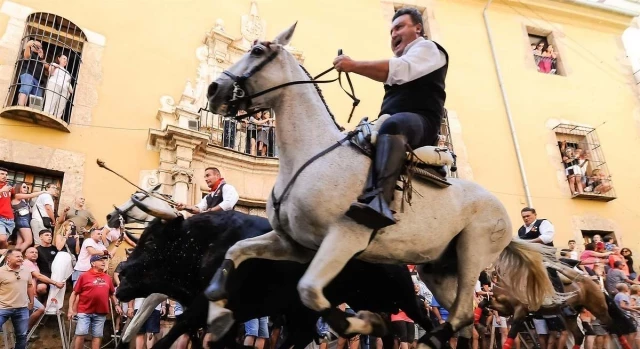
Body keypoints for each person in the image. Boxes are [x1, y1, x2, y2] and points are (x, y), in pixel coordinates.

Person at [333, 7, 448, 229]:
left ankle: (379, 202)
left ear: (418, 28)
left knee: (393, 124)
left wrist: (353, 65)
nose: (394, 34)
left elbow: (397, 69)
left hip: (422, 123)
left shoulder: (428, 48)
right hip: (398, 123)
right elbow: (387, 71)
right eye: (391, 31)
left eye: (400, 27)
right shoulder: (402, 61)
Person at [68, 255, 121, 349]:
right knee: (81, 334)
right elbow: (74, 293)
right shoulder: (84, 276)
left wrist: (116, 305)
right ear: (93, 263)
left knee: (97, 335)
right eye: (100, 260)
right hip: (85, 311)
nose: (103, 262)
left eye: (104, 260)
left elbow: (112, 293)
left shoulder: (108, 278)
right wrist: (70, 309)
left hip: (101, 312)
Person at [0, 249, 35, 349]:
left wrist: (31, 301)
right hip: (3, 308)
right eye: (17, 256)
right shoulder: (1, 272)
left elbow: (29, 286)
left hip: (22, 308)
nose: (20, 258)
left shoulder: (26, 270)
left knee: (22, 336)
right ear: (8, 259)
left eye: (21, 256)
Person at [22, 247, 63, 329]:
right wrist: (55, 283)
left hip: (30, 294)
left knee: (32, 312)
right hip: (26, 293)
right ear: (26, 254)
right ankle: (25, 331)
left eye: (36, 252)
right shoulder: (27, 263)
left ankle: (26, 332)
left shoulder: (34, 264)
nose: (34, 254)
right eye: (31, 252)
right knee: (40, 309)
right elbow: (39, 276)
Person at [11, 182, 45, 252]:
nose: (26, 188)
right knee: (28, 241)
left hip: (24, 220)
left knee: (19, 242)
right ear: (18, 187)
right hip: (22, 220)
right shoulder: (17, 196)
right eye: (24, 187)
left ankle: (12, 259)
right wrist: (44, 191)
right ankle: (14, 257)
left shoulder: (24, 200)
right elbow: (31, 195)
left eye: (27, 187)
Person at [17, 39, 48, 107]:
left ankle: (33, 112)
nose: (38, 48)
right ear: (32, 46)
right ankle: (21, 106)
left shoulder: (40, 57)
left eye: (40, 47)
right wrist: (28, 46)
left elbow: (47, 67)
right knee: (25, 90)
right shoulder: (29, 52)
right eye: (36, 46)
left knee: (37, 98)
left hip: (38, 80)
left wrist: (42, 58)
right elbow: (26, 56)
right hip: (28, 74)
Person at [34, 229, 64, 297]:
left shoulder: (55, 248)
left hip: (56, 273)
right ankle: (43, 301)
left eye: (50, 235)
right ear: (41, 237)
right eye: (47, 235)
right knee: (41, 288)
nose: (49, 237)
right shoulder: (37, 250)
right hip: (44, 274)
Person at [43, 53, 74, 118]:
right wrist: (55, 67)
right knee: (51, 102)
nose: (65, 60)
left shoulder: (67, 73)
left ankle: (57, 118)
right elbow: (50, 72)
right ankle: (47, 115)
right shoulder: (54, 64)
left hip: (64, 89)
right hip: (54, 84)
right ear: (59, 58)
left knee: (61, 105)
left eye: (67, 60)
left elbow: (68, 82)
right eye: (64, 58)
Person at [0, 167, 15, 250]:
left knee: (3, 242)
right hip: (0, 217)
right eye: (2, 174)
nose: (5, 176)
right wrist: (2, 190)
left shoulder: (8, 187)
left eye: (6, 174)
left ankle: (3, 259)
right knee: (2, 239)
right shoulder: (4, 188)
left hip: (10, 220)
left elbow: (14, 197)